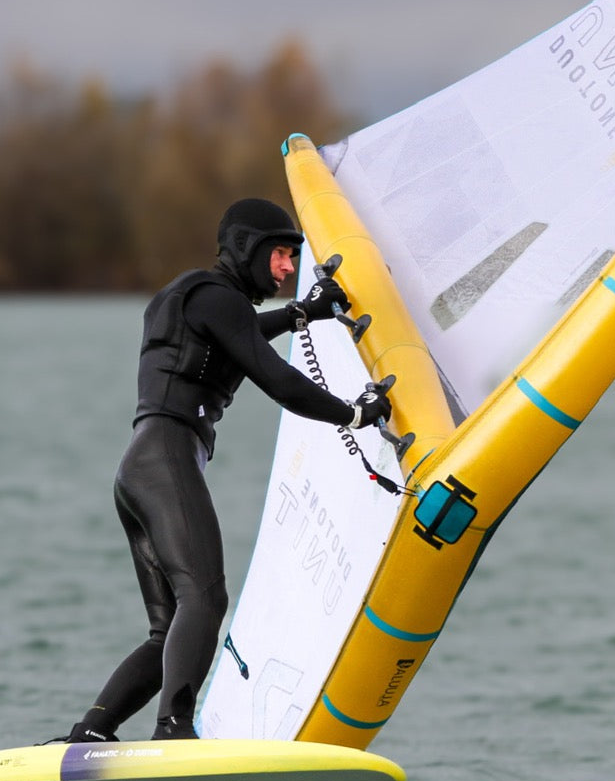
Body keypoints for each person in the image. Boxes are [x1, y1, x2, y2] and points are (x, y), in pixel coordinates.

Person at [61, 197, 392, 743]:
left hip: (138, 468)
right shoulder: (220, 298)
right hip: (168, 459)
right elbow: (281, 382)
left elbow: (240, 335)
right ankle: (174, 730)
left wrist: (303, 312)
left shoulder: (191, 295)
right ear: (244, 249)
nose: (289, 268)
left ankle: (90, 733)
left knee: (166, 631)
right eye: (281, 254)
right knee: (206, 600)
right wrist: (356, 413)